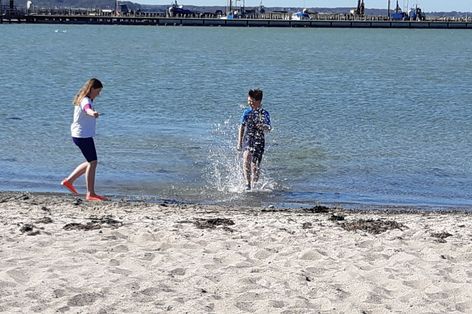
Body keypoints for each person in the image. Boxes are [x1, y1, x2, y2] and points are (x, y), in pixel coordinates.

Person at [61, 78, 107, 201]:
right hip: (82, 136)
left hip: (80, 135)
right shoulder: (85, 100)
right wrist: (93, 113)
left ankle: (69, 181)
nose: (99, 94)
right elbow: (87, 109)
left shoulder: (86, 99)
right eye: (98, 91)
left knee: (90, 162)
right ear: (91, 89)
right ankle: (90, 193)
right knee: (93, 162)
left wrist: (92, 113)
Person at [237, 89, 271, 191]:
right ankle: (247, 184)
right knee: (246, 157)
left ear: (258, 101)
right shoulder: (246, 112)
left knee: (255, 165)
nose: (249, 103)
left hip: (259, 140)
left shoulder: (264, 113)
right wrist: (239, 142)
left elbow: (269, 128)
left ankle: (254, 185)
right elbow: (242, 127)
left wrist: (263, 126)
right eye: (248, 101)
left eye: (251, 101)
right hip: (248, 138)